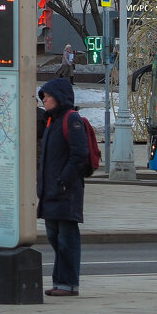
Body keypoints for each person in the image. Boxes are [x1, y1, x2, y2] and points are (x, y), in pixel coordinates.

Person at [37, 77, 89, 297]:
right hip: (51, 191)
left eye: (47, 97)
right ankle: (59, 282)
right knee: (54, 236)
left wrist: (64, 181)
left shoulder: (71, 120)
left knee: (66, 239)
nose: (45, 101)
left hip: (66, 191)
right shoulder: (52, 121)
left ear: (59, 98)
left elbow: (80, 154)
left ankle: (68, 284)